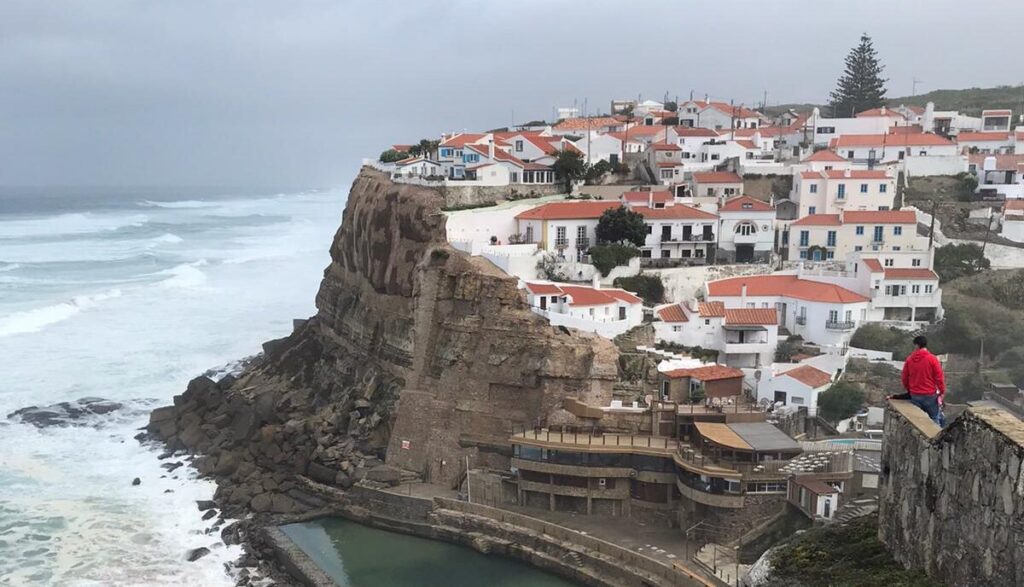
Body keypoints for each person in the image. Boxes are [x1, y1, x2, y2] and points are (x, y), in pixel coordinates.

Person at [900, 335, 946, 426]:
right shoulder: (932, 359)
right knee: (934, 418)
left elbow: (904, 377)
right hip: (930, 395)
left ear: (916, 345)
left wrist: (909, 389)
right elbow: (939, 377)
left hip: (915, 395)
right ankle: (936, 438)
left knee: (916, 421)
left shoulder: (910, 360)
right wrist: (942, 391)